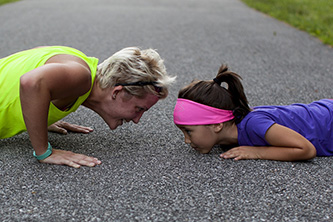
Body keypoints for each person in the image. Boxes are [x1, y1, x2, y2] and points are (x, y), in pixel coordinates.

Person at [0, 46, 175, 168]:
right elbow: (31, 82)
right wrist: (44, 152)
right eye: (139, 109)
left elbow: (27, 62)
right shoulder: (81, 76)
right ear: (117, 92)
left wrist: (39, 116)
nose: (137, 120)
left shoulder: (77, 61)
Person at [173, 64, 333, 161]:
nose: (187, 140)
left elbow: (306, 149)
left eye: (189, 131)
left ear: (217, 125)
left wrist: (257, 152)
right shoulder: (229, 135)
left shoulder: (254, 124)